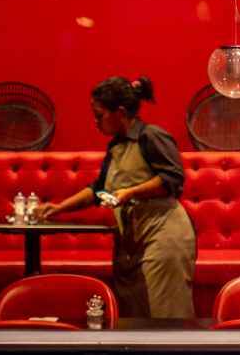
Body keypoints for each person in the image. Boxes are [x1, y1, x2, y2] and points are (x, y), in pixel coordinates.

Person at [37, 75, 196, 319]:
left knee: (166, 316)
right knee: (133, 317)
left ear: (119, 112)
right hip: (130, 242)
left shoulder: (151, 136)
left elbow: (172, 179)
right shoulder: (116, 146)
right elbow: (99, 190)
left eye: (99, 115)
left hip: (163, 235)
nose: (95, 122)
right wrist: (58, 208)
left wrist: (130, 193)